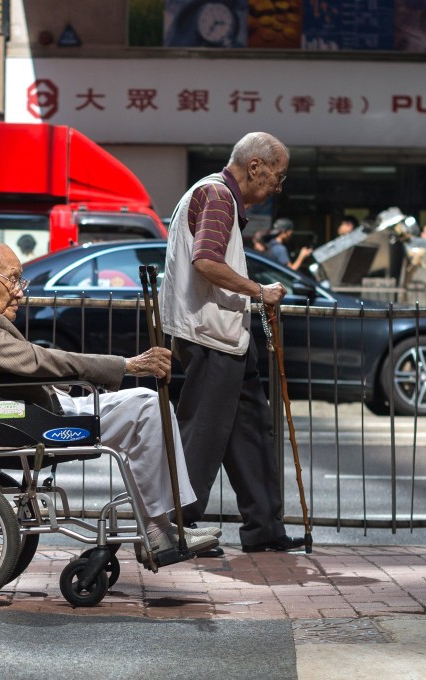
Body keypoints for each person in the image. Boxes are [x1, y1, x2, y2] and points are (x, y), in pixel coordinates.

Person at [0, 241, 222, 560]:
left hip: (35, 410)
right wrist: (125, 365)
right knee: (148, 406)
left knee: (148, 403)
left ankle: (160, 526)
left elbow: (27, 362)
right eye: (13, 279)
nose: (19, 291)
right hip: (30, 419)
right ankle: (157, 530)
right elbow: (35, 360)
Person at [160, 131, 305, 553]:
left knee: (251, 432)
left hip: (225, 334)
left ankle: (265, 528)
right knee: (203, 434)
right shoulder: (218, 196)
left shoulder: (210, 193)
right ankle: (175, 528)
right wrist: (258, 290)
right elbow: (206, 261)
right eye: (277, 177)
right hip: (211, 335)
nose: (278, 187)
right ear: (254, 166)